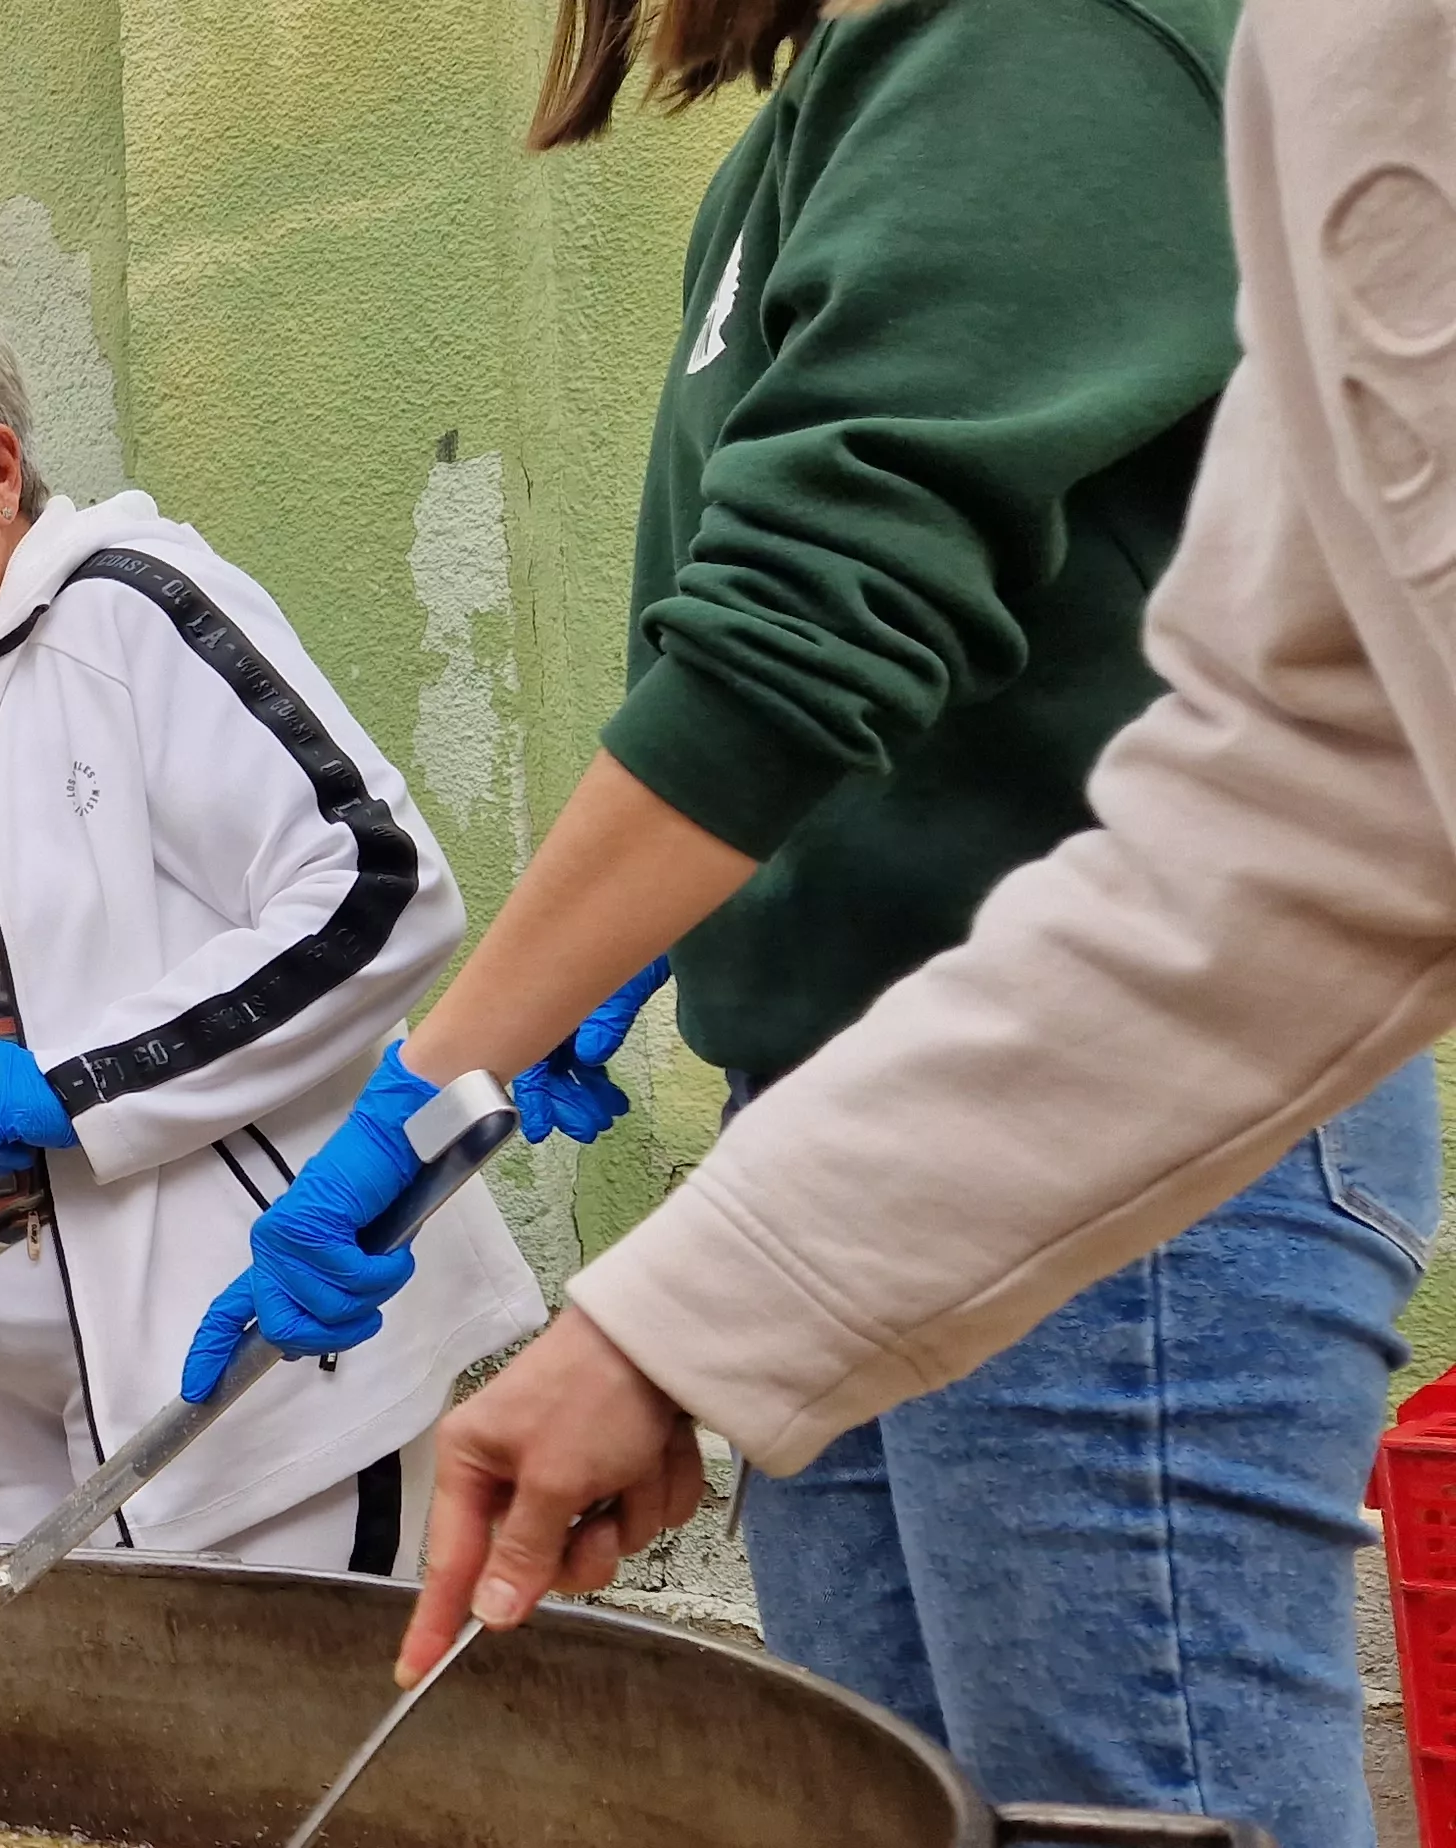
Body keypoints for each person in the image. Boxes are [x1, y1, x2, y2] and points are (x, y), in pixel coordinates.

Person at [237, 2, 1427, 1840]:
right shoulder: (819, 122)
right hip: (849, 1130)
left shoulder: (1038, 33)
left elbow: (805, 629)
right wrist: (702, 931)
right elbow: (859, 673)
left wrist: (428, 1082)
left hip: (1114, 1113)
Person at [0, 271, 546, 1564]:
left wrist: (85, 1082)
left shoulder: (130, 615)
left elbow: (376, 886)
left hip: (230, 1373)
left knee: (272, 1703)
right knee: (7, 1707)